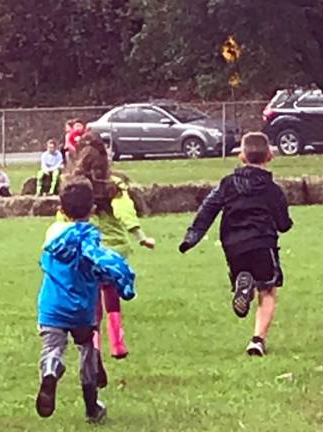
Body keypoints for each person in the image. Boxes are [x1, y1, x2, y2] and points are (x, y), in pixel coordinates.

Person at [179, 132, 293, 357]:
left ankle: (245, 286)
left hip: (232, 244)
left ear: (241, 156)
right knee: (268, 289)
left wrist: (192, 236)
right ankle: (257, 340)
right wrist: (285, 222)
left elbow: (208, 208)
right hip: (262, 242)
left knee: (245, 275)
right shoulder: (272, 189)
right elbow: (282, 223)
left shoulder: (227, 184)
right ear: (269, 156)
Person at [35, 176, 136, 424]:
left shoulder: (53, 233)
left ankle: (50, 367)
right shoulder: (89, 238)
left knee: (52, 347)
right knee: (87, 350)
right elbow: (101, 264)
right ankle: (92, 407)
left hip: (51, 306)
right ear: (92, 210)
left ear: (60, 209)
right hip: (81, 308)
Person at [72, 133, 155, 365]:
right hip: (114, 250)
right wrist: (140, 236)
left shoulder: (75, 185)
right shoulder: (114, 185)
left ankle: (94, 345)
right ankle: (118, 343)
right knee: (111, 293)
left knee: (92, 297)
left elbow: (64, 215)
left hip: (87, 249)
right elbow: (124, 211)